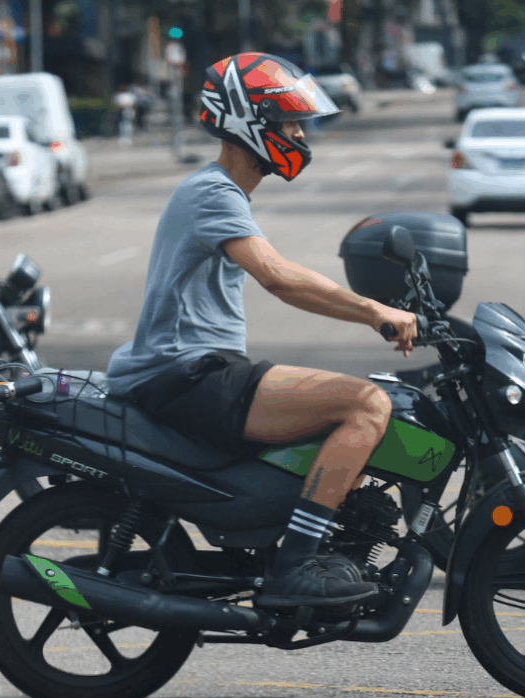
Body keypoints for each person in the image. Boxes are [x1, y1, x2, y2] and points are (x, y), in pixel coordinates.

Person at [105, 53, 419, 608]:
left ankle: (313, 541)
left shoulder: (222, 192)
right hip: (187, 373)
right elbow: (279, 277)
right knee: (366, 403)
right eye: (290, 122)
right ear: (249, 122)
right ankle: (296, 563)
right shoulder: (213, 192)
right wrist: (374, 311)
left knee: (346, 407)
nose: (299, 135)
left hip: (198, 369)